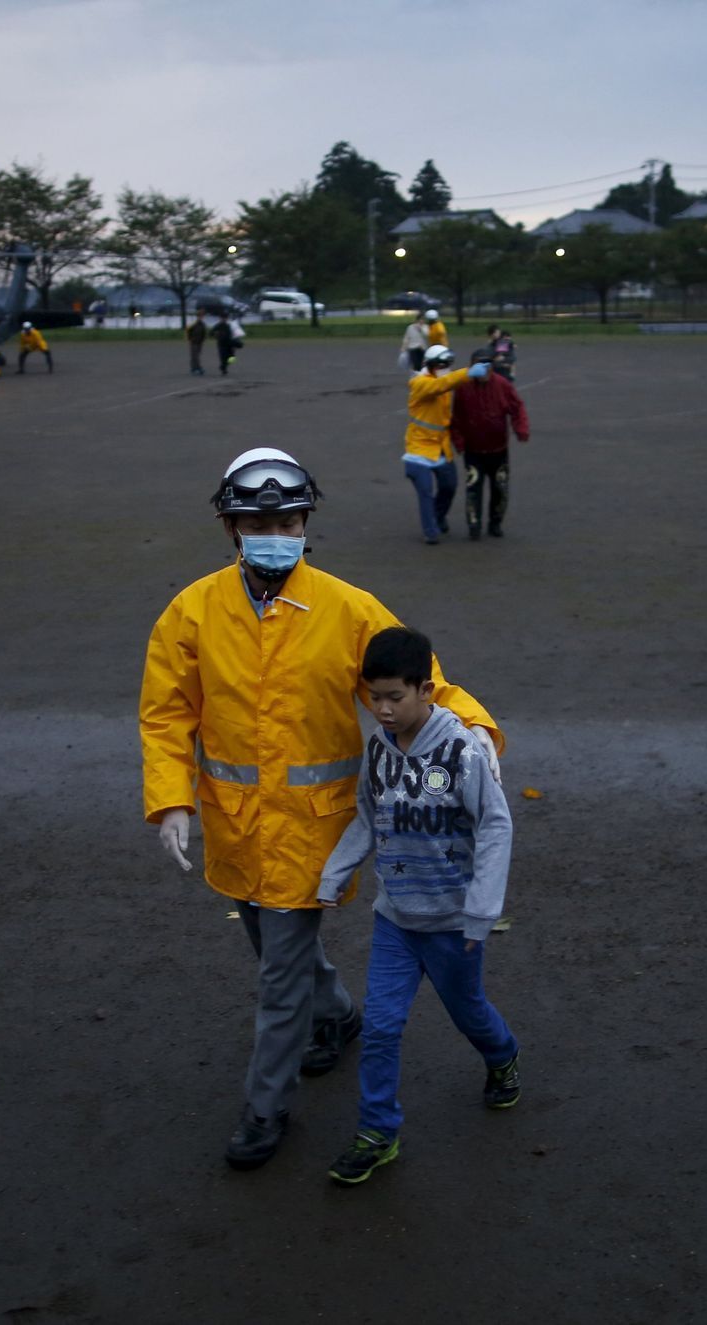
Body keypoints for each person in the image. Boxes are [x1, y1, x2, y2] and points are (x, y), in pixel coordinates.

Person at [140, 449, 506, 1171]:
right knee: (271, 945)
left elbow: (425, 682)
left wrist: (477, 734)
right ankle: (336, 1016)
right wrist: (171, 799)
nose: (270, 531)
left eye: (283, 519)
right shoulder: (192, 611)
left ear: (305, 522)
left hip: (314, 828)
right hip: (237, 825)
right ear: (229, 528)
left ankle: (264, 1108)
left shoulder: (347, 610)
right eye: (254, 521)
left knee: (277, 976)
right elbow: (166, 713)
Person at [316, 625, 518, 1185]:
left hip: (454, 924)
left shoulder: (461, 751)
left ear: (426, 691)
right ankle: (377, 1131)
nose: (381, 709)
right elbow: (368, 815)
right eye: (373, 696)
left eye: (394, 697)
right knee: (381, 1026)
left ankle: (502, 1056)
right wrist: (335, 873)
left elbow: (496, 825)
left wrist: (481, 910)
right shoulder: (378, 750)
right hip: (396, 921)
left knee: (469, 1013)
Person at [404, 344, 487, 544]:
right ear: (431, 365)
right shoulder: (420, 383)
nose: (446, 368)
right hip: (418, 449)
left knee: (449, 486)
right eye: (442, 365)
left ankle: (437, 517)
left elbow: (448, 387)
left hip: (441, 447)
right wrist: (467, 372)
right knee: (425, 492)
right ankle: (430, 531)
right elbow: (440, 386)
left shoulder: (445, 383)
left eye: (448, 365)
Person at [450, 348, 532, 540]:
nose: (484, 372)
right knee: (473, 490)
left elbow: (517, 407)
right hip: (473, 451)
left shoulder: (502, 385)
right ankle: (474, 524)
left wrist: (521, 429)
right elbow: (456, 418)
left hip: (498, 450)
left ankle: (495, 523)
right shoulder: (463, 388)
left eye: (488, 367)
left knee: (500, 489)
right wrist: (459, 442)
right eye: (480, 367)